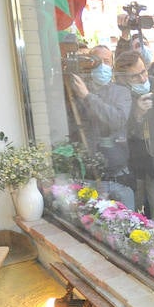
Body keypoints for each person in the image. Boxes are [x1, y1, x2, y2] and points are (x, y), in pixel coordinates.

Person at [66, 54, 134, 208]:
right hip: (88, 177)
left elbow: (116, 120)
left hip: (117, 177)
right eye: (97, 61)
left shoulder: (121, 92)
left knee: (126, 220)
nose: (102, 65)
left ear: (112, 65)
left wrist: (87, 96)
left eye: (107, 61)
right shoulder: (75, 92)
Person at [119, 50, 154, 223]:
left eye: (143, 72)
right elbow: (118, 130)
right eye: (135, 76)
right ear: (124, 78)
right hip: (133, 167)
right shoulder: (120, 93)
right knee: (132, 218)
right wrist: (137, 114)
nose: (142, 79)